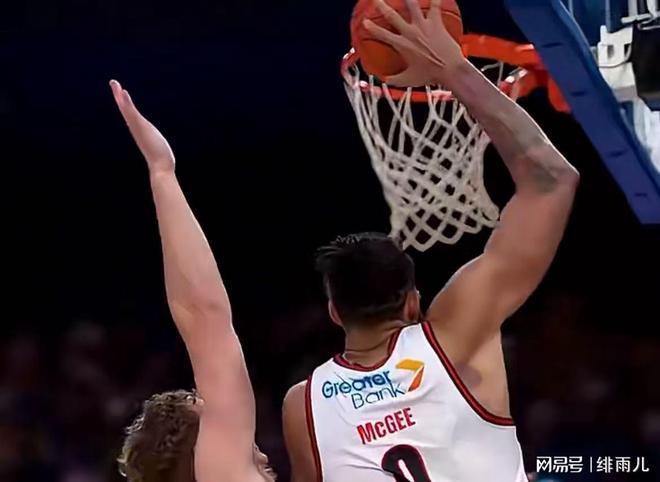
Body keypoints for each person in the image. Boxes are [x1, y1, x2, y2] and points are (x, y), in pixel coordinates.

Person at [282, 0, 579, 481]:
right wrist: (452, 68)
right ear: (413, 302)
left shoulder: (303, 407)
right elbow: (551, 181)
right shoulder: (455, 340)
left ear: (334, 311)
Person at [109, 80, 275, 482]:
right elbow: (205, 318)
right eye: (211, 409)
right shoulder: (222, 470)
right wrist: (162, 174)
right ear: (200, 453)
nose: (252, 440)